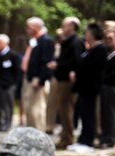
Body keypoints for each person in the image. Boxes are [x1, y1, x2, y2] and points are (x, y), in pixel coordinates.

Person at [70, 23, 108, 152]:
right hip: (83, 88)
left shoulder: (101, 49)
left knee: (89, 115)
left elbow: (95, 69)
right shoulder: (89, 49)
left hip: (91, 88)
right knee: (83, 113)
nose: (85, 35)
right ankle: (82, 139)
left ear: (92, 34)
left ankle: (88, 141)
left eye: (87, 33)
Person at [48, 18, 83, 148]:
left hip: (68, 81)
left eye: (65, 25)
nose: (62, 27)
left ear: (72, 27)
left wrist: (58, 64)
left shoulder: (76, 42)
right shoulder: (66, 42)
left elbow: (76, 61)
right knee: (62, 110)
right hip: (61, 78)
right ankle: (64, 135)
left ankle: (68, 137)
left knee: (66, 109)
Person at [22, 17, 56, 131]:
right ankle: (31, 132)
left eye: (29, 27)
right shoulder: (35, 41)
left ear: (36, 27)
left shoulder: (46, 41)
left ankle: (39, 133)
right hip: (30, 77)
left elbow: (46, 62)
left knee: (37, 110)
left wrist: (41, 80)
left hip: (38, 79)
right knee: (29, 109)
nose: (27, 30)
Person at [0, 34, 22, 132]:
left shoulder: (13, 55)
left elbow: (18, 71)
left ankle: (7, 124)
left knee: (7, 105)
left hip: (8, 85)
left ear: (5, 43)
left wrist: (14, 84)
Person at [100, 28, 115, 149]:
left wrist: (104, 78)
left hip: (112, 87)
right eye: (106, 39)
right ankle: (106, 136)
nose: (108, 41)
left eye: (110, 38)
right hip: (106, 87)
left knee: (110, 114)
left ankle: (110, 138)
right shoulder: (106, 54)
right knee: (105, 114)